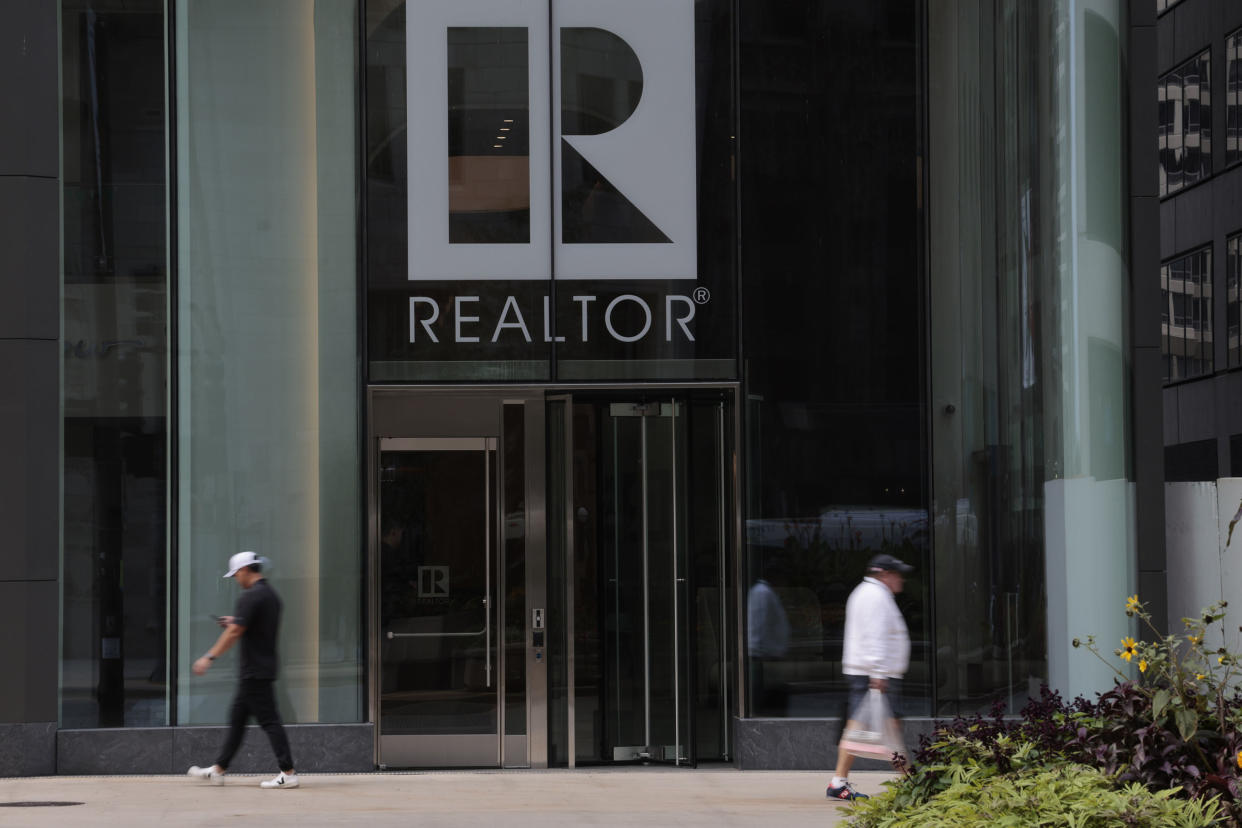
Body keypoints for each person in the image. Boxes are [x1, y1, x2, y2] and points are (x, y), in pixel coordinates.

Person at [187, 551, 299, 789]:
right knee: (238, 719)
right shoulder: (270, 595)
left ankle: (288, 772)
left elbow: (235, 633)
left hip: (254, 671)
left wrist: (209, 657)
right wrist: (237, 620)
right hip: (263, 667)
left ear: (245, 570)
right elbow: (250, 626)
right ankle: (218, 769)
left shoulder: (250, 597)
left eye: (236, 574)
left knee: (270, 722)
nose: (236, 579)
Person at [826, 552, 913, 802]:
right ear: (885, 574)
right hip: (874, 675)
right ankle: (910, 781)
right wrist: (878, 674)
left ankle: (840, 781)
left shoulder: (867, 593)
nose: (902, 581)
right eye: (898, 575)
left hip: (872, 673)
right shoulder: (875, 597)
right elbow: (875, 636)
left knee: (864, 727)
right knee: (878, 727)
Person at [747, 567, 791, 715]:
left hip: (766, 655)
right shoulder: (762, 592)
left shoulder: (765, 592)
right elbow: (757, 623)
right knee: (767, 700)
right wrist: (758, 652)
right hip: (763, 656)